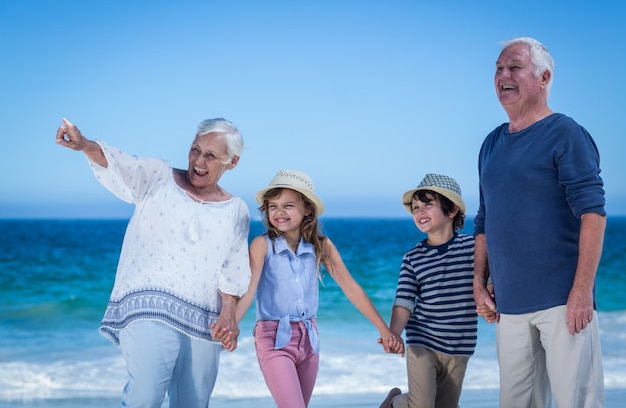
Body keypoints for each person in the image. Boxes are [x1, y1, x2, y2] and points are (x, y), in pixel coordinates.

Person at [55, 118, 251, 407]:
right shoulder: (158, 176)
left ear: (232, 162)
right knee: (145, 398)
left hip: (204, 321)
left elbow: (233, 270)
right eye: (195, 150)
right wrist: (84, 145)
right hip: (148, 305)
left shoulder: (237, 210)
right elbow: (120, 164)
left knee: (193, 403)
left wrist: (228, 316)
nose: (199, 160)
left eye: (211, 156)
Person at [473, 37, 607, 408]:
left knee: (576, 402)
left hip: (563, 303)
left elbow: (593, 214)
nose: (503, 75)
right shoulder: (490, 144)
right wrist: (478, 283)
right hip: (508, 305)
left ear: (544, 77)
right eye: (499, 69)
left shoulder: (566, 133)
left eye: (514, 67)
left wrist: (582, 292)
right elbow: (485, 219)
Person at [235, 169, 404, 408]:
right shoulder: (263, 245)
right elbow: (249, 291)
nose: (279, 212)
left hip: (310, 340)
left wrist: (385, 331)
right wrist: (231, 326)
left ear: (307, 209)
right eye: (273, 206)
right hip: (273, 339)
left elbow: (351, 288)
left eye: (288, 205)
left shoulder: (321, 246)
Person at [379, 173, 478, 408]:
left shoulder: (473, 247)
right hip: (423, 341)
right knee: (422, 405)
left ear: (451, 210)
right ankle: (395, 402)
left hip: (460, 345)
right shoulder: (413, 258)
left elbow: (489, 280)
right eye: (415, 208)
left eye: (427, 205)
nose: (419, 212)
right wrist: (394, 333)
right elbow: (404, 301)